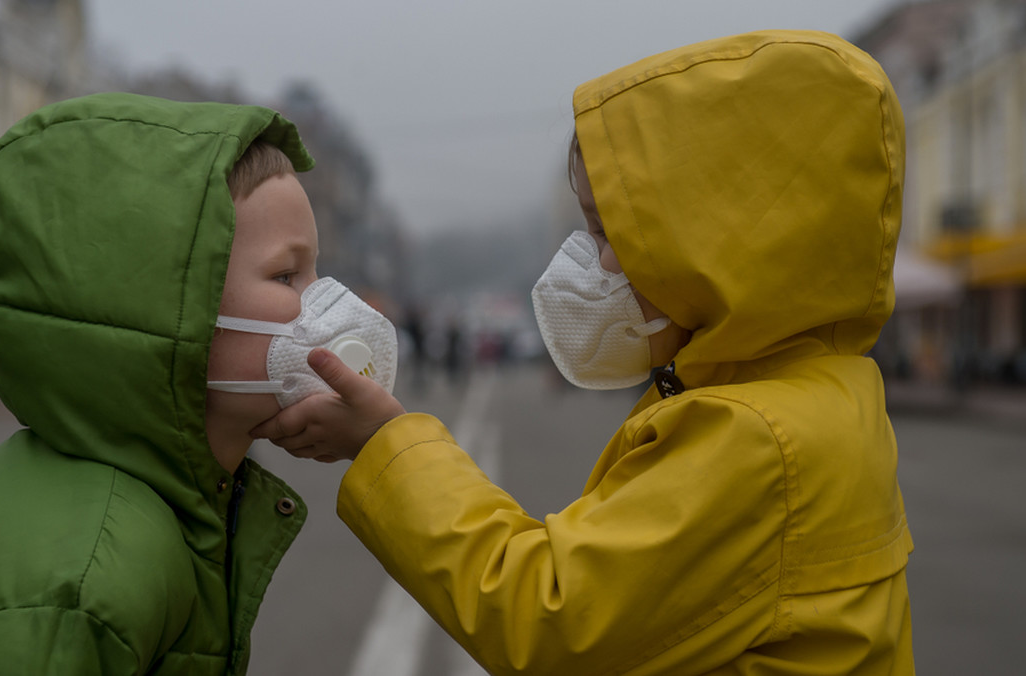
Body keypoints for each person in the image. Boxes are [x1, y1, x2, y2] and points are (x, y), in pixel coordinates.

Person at [256, 30, 915, 675]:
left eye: (609, 230)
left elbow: (547, 616)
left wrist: (383, 443)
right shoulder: (830, 392)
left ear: (720, 245)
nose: (595, 260)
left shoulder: (760, 440)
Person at [0, 92, 395, 674]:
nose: (325, 302)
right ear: (166, 309)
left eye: (315, 271)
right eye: (287, 275)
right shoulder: (86, 580)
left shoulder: (172, 500)